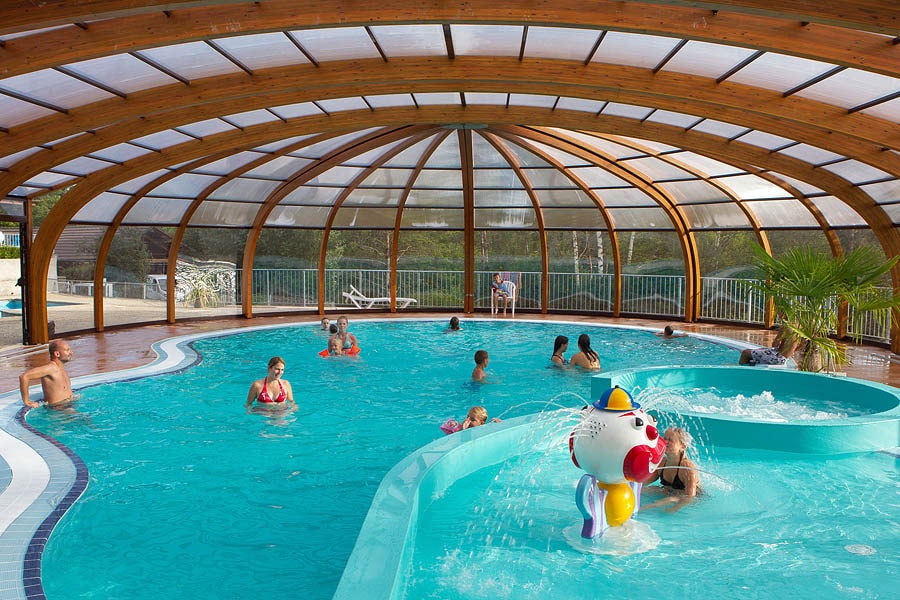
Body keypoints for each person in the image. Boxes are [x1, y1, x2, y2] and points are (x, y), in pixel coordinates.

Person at [644, 427, 701, 512]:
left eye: (670, 440)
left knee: (668, 500)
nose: (665, 442)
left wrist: (675, 508)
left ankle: (640, 511)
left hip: (691, 497)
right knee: (646, 490)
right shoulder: (662, 462)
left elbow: (690, 497)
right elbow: (645, 481)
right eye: (665, 438)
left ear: (682, 446)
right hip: (669, 491)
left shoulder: (687, 468)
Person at [19, 339, 74, 409]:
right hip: (58, 409)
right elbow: (24, 376)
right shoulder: (50, 368)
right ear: (57, 354)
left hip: (68, 405)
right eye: (67, 350)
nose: (71, 353)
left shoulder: (60, 368)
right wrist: (27, 401)